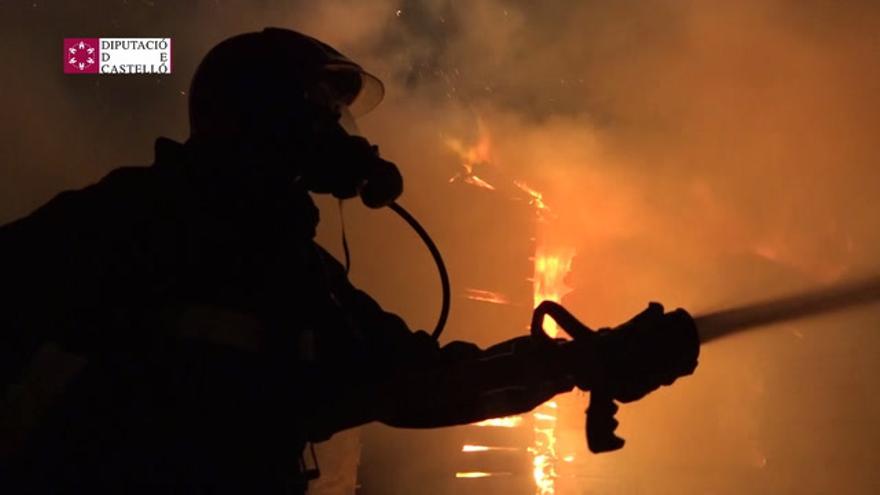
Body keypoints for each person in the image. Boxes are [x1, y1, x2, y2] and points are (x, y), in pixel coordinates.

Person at [0, 28, 699, 493]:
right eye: (324, 115)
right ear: (273, 122)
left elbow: (420, 384)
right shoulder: (131, 221)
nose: (340, 137)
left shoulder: (291, 272)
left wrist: (582, 363)